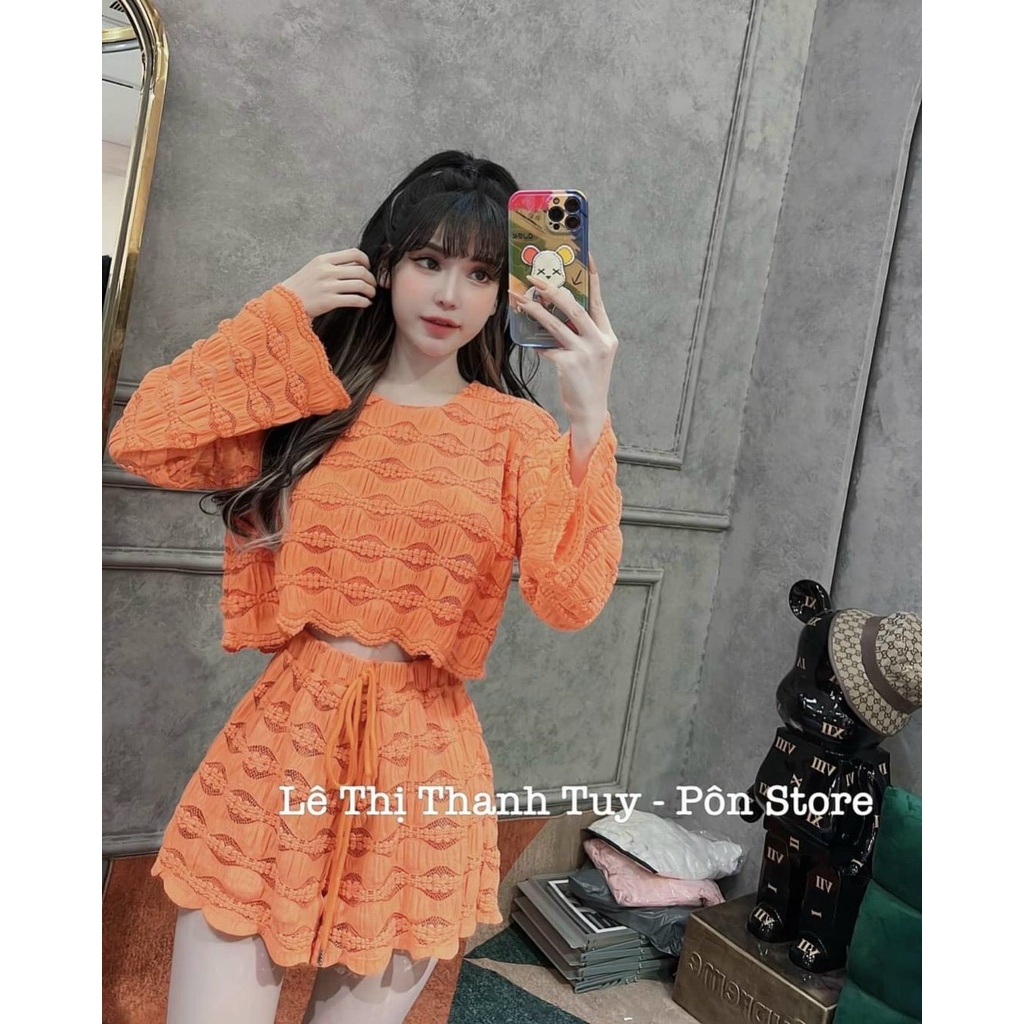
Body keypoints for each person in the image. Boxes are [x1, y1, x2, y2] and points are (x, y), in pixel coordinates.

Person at [107, 150, 623, 1024]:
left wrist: (589, 418)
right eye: (428, 260)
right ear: (385, 266)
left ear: (506, 295)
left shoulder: (519, 435)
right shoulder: (311, 400)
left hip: (422, 768)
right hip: (285, 743)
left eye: (481, 274)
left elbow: (570, 599)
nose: (450, 294)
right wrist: (281, 310)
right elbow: (144, 437)